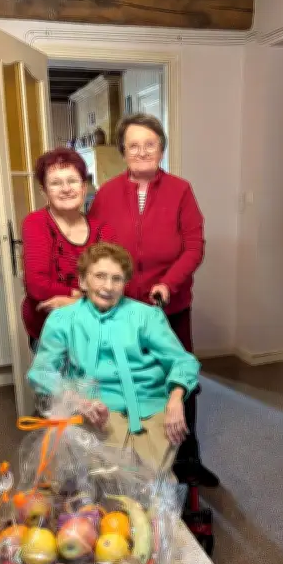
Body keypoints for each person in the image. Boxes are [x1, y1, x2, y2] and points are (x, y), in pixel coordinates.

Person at [88, 113, 219, 487]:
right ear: (123, 151)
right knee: (128, 376)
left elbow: (194, 247)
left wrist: (168, 284)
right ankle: (135, 455)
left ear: (161, 148)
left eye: (150, 144)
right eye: (134, 145)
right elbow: (96, 248)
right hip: (121, 308)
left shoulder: (181, 190)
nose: (143, 151)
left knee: (181, 378)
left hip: (170, 306)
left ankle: (189, 458)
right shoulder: (107, 194)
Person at [27, 243, 200, 470]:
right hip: (92, 411)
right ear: (82, 281)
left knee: (149, 488)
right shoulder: (63, 319)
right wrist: (76, 401)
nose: (108, 286)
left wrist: (176, 399)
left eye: (117, 279)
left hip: (149, 409)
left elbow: (183, 361)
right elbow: (41, 372)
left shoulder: (146, 316)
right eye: (100, 276)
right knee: (100, 485)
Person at [21, 147, 115, 349]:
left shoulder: (103, 231)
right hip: (50, 332)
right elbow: (37, 285)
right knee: (59, 382)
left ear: (83, 187)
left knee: (93, 381)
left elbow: (112, 286)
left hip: (93, 329)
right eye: (55, 183)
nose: (66, 189)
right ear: (44, 191)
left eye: (72, 181)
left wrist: (74, 302)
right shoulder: (36, 223)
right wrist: (88, 297)